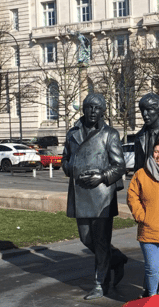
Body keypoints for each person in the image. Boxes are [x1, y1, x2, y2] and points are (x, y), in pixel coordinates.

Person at [62, 93, 128, 300]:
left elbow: (119, 166)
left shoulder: (110, 134)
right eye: (89, 107)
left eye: (97, 108)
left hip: (102, 197)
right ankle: (115, 258)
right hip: (80, 193)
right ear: (83, 108)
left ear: (103, 111)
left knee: (100, 241)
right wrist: (71, 167)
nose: (93, 111)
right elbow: (65, 159)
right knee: (86, 238)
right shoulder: (72, 133)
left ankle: (100, 284)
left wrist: (102, 176)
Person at [126, 137, 159, 298]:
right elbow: (132, 196)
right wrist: (141, 215)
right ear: (152, 153)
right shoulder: (141, 174)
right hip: (148, 229)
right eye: (156, 151)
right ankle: (153, 298)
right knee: (152, 267)